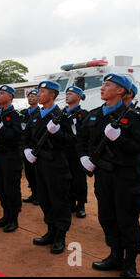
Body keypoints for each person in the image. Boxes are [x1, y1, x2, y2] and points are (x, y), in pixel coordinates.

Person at [77, 74, 140, 277]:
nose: (102, 88)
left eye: (107, 85)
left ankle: (130, 263)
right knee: (107, 217)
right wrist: (84, 157)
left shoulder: (135, 116)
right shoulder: (93, 115)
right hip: (102, 176)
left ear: (120, 91)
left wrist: (120, 140)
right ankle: (115, 255)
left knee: (127, 219)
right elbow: (81, 139)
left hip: (126, 178)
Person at [22, 81, 72, 255]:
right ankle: (50, 231)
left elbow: (71, 141)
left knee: (58, 200)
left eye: (42, 91)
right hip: (39, 164)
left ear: (52, 95)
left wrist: (57, 132)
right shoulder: (36, 114)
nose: (39, 94)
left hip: (56, 165)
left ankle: (60, 236)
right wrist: (27, 149)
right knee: (44, 198)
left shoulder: (61, 115)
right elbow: (26, 135)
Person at [0, 85, 23, 232]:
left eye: (2, 93)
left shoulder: (16, 115)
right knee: (1, 187)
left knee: (11, 188)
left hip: (11, 156)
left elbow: (17, 136)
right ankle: (5, 215)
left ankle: (13, 219)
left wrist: (1, 129)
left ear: (10, 96)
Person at [61, 86, 88, 218]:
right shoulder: (61, 113)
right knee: (66, 179)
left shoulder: (83, 114)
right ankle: (70, 202)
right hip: (63, 152)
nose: (67, 96)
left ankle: (81, 204)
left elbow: (84, 135)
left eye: (70, 94)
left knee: (79, 179)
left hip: (76, 152)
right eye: (66, 94)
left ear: (78, 97)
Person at [20, 89, 40, 205]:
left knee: (36, 173)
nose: (30, 98)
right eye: (29, 96)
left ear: (38, 99)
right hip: (25, 146)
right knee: (29, 173)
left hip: (35, 147)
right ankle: (33, 193)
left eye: (33, 96)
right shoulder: (23, 112)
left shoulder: (40, 112)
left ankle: (39, 195)